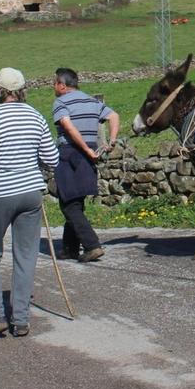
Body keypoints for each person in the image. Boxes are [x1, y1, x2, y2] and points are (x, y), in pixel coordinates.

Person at [0, 67, 59, 339]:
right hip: (30, 193)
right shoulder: (35, 115)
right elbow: (52, 159)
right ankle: (20, 320)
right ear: (22, 90)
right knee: (26, 255)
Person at [52, 67, 119, 262]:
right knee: (76, 201)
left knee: (68, 204)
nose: (53, 87)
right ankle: (69, 249)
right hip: (89, 152)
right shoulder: (92, 101)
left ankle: (92, 245)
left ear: (62, 85)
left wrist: (84, 148)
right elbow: (113, 116)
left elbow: (67, 125)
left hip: (70, 152)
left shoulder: (60, 102)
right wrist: (112, 141)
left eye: (55, 83)